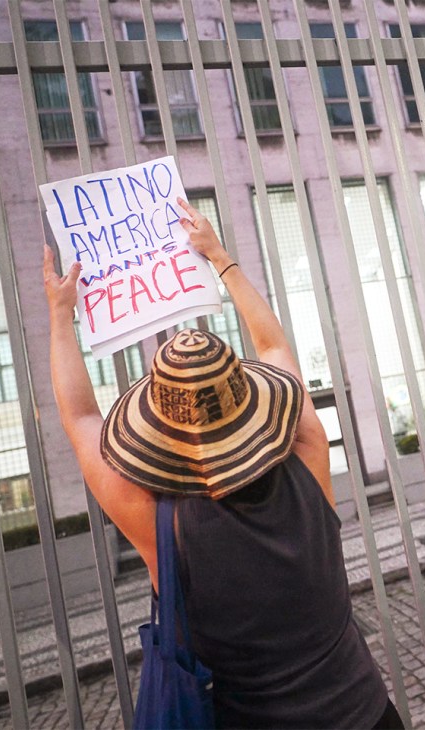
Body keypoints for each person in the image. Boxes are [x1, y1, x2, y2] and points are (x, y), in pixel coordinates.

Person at [43, 197, 404, 729]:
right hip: (368, 714)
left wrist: (59, 315)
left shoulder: (161, 527)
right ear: (251, 402)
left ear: (162, 429)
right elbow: (273, 344)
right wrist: (218, 257)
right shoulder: (309, 454)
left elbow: (78, 418)